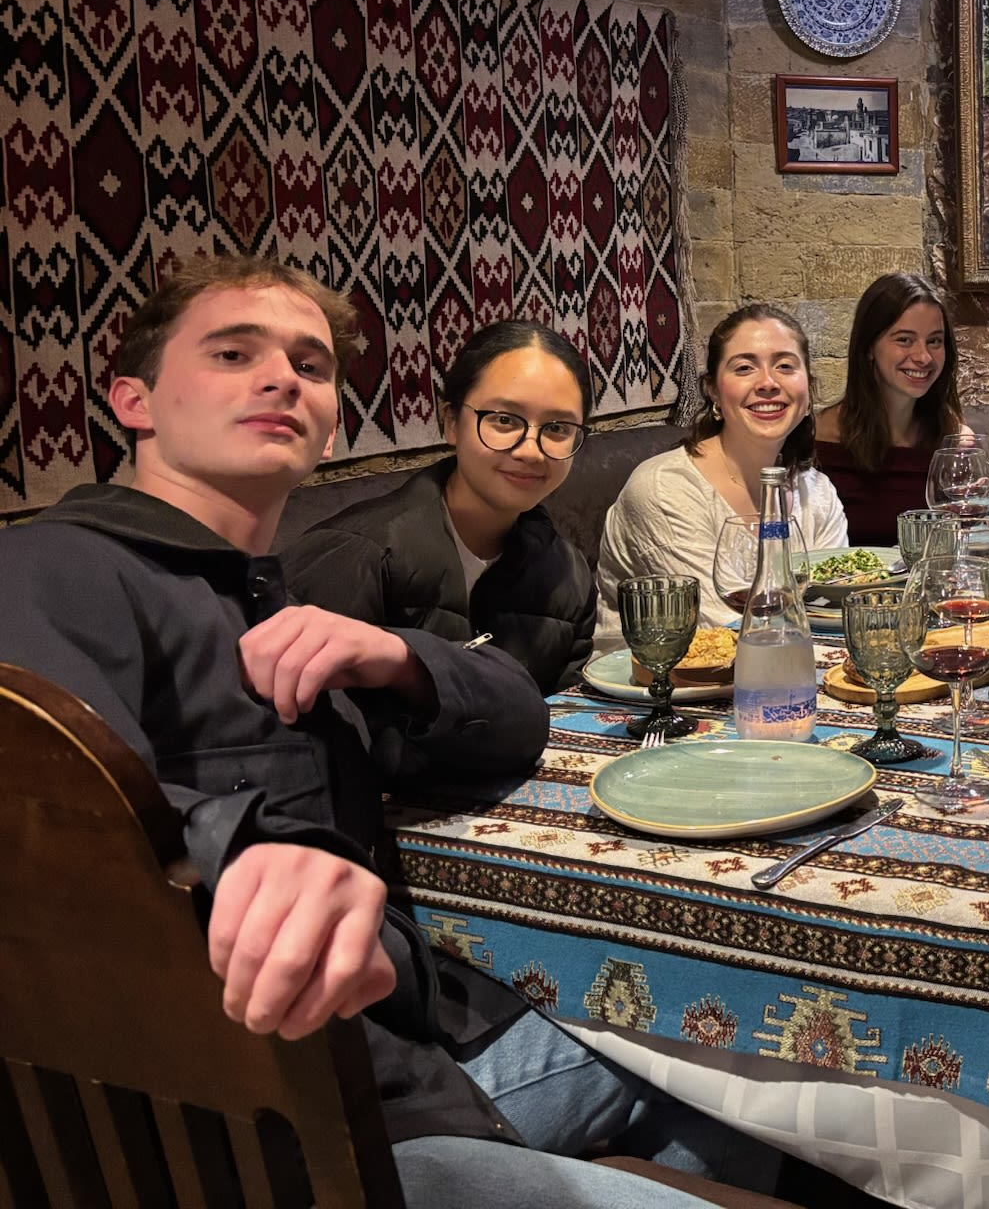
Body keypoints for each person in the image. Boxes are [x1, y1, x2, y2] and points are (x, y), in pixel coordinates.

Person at [0, 256, 774, 1209]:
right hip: (282, 1123)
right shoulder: (52, 569)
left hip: (422, 1055)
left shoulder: (270, 594)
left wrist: (397, 657)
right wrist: (230, 851)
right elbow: (37, 800)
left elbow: (516, 724)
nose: (283, 377)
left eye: (311, 366)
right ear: (135, 400)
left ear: (330, 423)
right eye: (233, 353)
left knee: (737, 1068)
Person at [284, 320, 598, 694]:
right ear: (450, 422)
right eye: (503, 420)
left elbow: (569, 720)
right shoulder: (356, 556)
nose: (530, 449)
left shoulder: (568, 576)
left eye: (558, 428)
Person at [598, 303, 847, 634]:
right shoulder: (665, 490)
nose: (768, 382)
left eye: (785, 366)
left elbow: (834, 609)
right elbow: (720, 626)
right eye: (744, 368)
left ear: (807, 389)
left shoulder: (815, 492)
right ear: (713, 389)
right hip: (660, 681)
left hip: (798, 669)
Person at [813, 272, 967, 545]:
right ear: (869, 347)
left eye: (934, 341)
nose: (923, 357)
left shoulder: (952, 437)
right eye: (904, 340)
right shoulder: (818, 439)